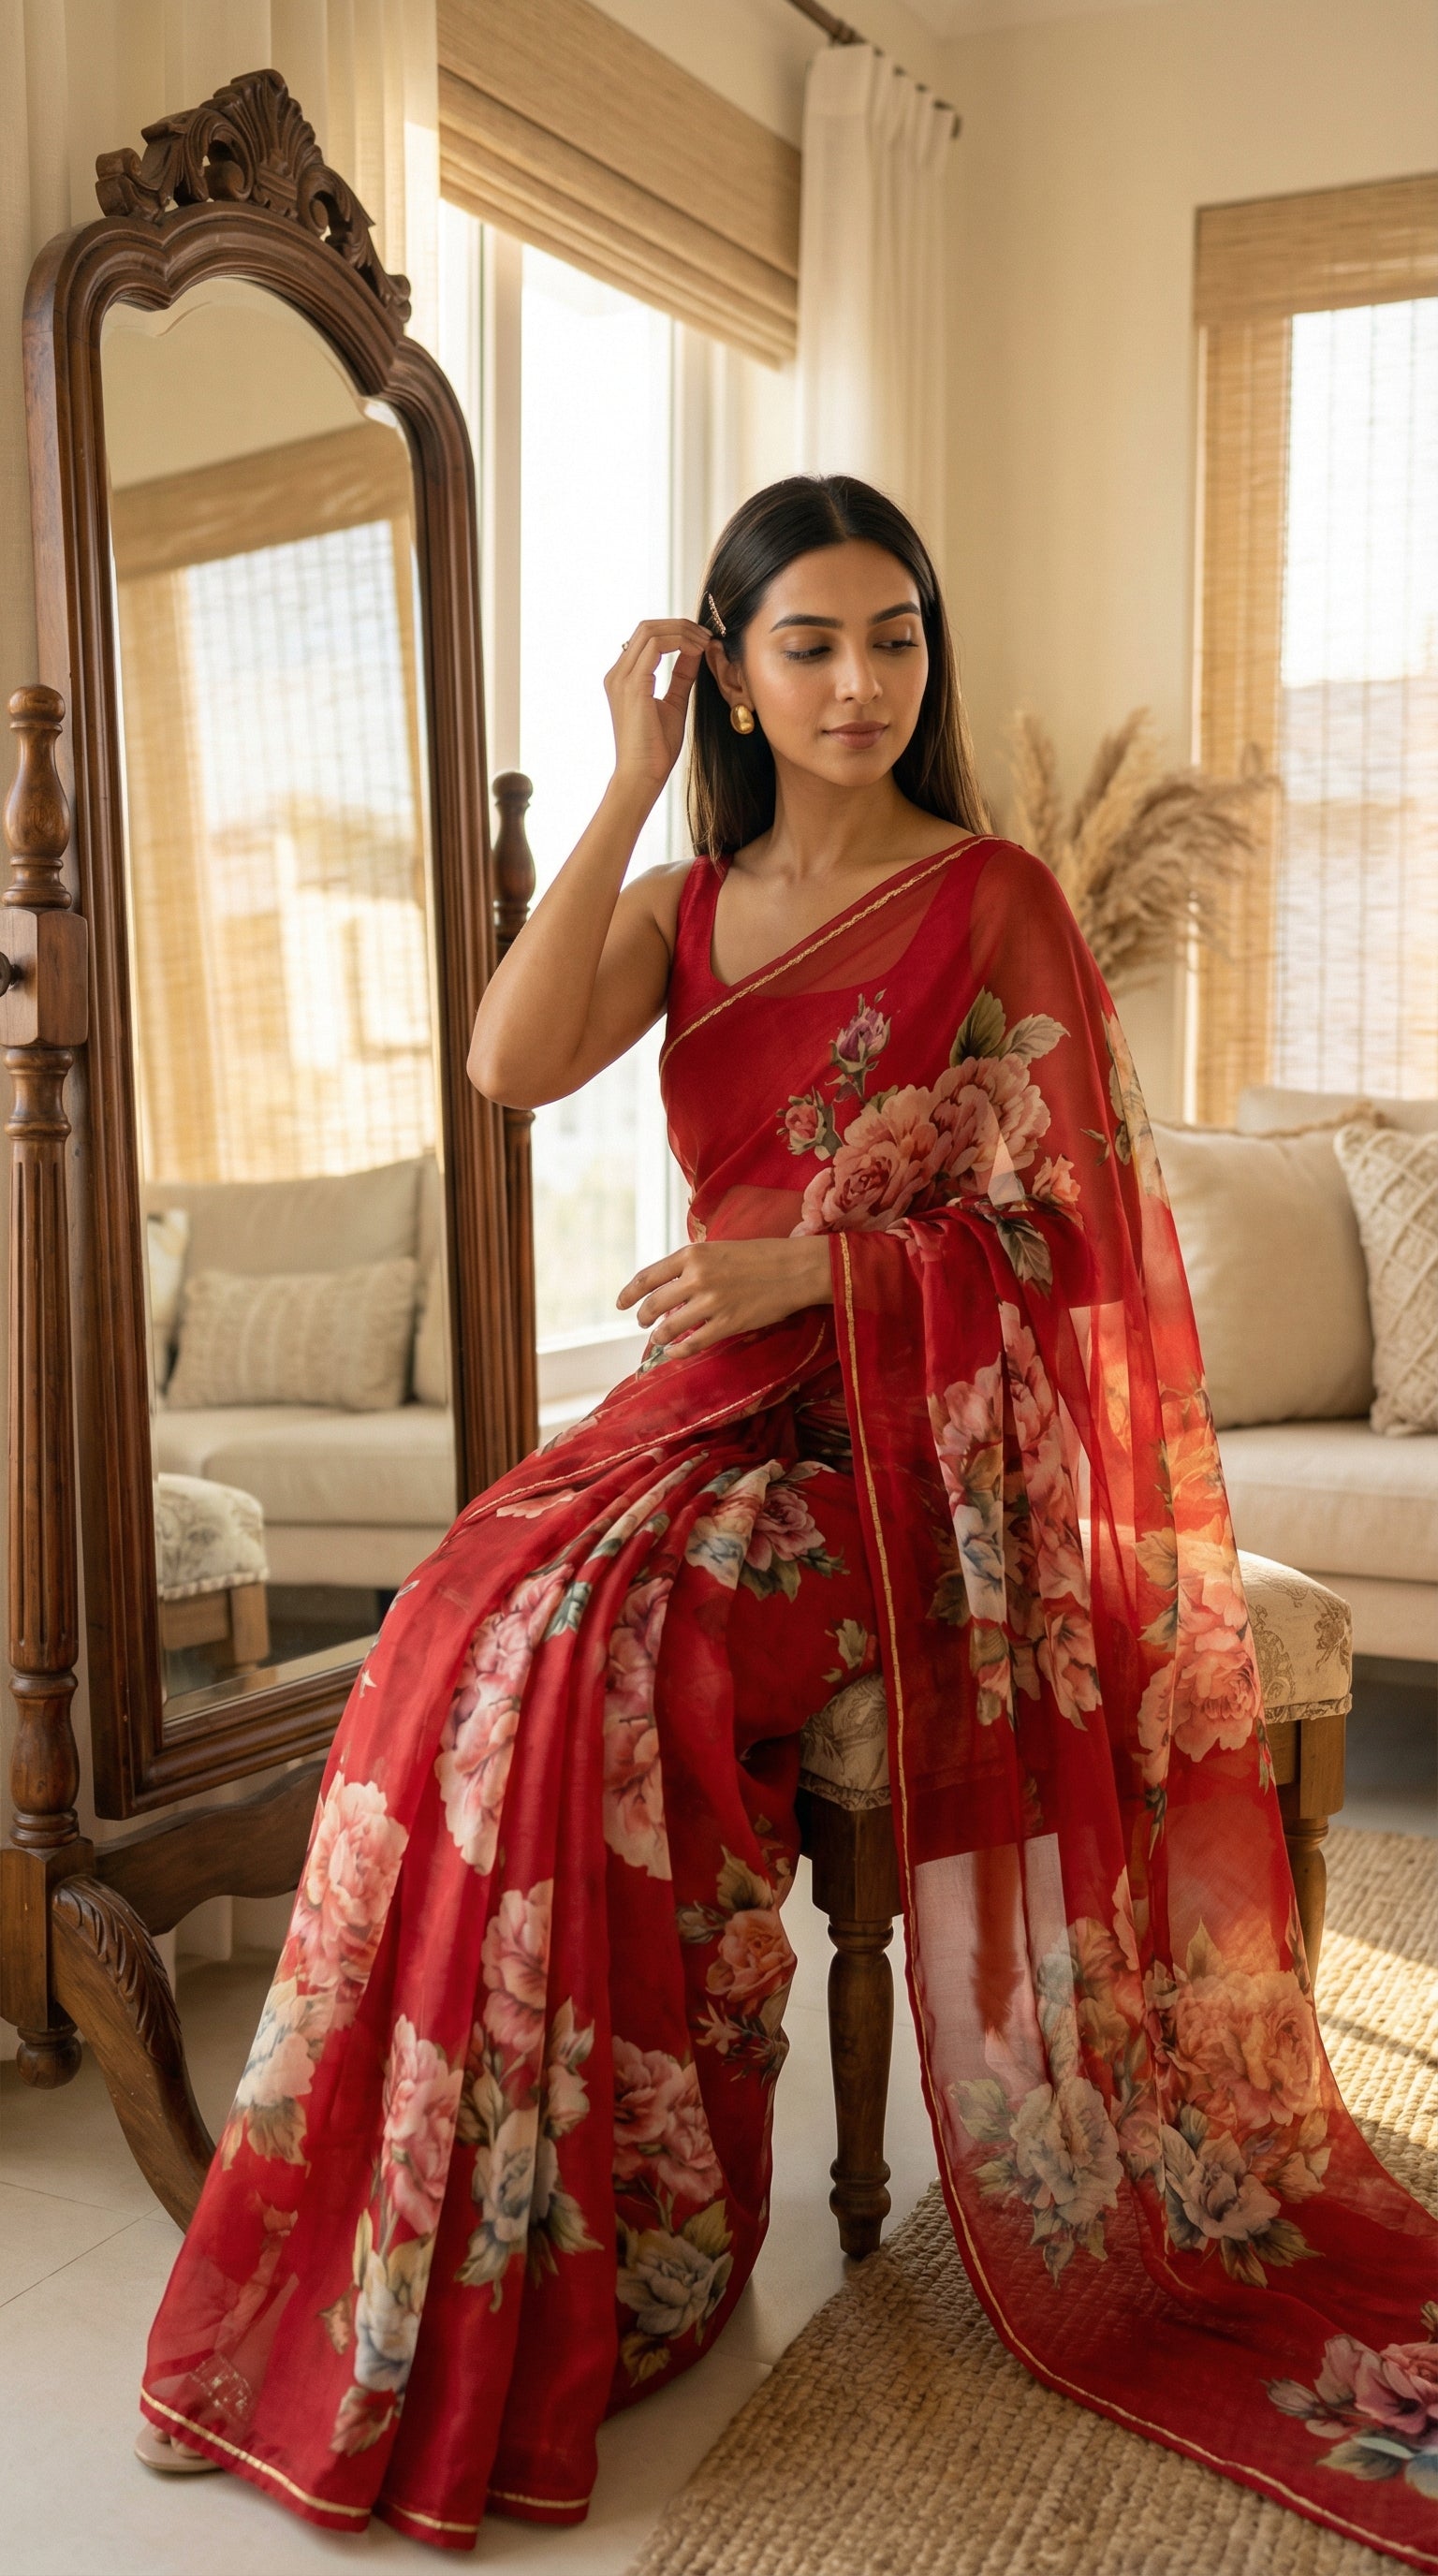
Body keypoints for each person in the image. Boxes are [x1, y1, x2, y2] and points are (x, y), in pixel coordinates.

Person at [136, 476, 1438, 2565]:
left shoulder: (990, 891)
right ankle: (464, 2235)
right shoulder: (684, 898)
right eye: (809, 642)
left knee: (620, 1646)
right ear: (732, 667)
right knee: (467, 1607)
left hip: (922, 1448)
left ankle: (633, 2224)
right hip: (706, 1407)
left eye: (894, 635)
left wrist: (824, 1280)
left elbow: (1087, 1241)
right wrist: (633, 780)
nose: (860, 680)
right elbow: (503, 1057)